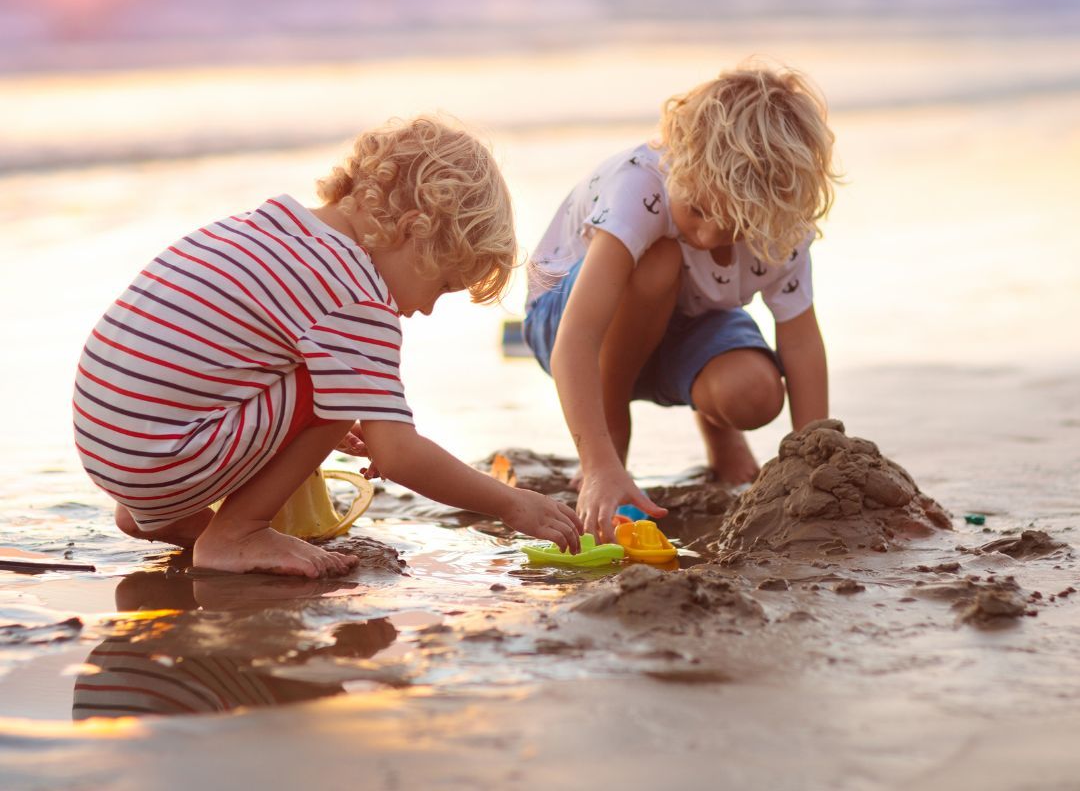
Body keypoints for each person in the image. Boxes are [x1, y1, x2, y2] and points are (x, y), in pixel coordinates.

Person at [73, 117, 582, 578]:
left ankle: (155, 511)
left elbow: (207, 359)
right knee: (340, 388)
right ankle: (236, 534)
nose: (427, 310)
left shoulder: (268, 228)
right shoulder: (357, 291)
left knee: (342, 389)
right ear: (415, 233)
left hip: (110, 446)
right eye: (444, 285)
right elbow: (400, 455)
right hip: (165, 459)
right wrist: (513, 505)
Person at [523, 61, 839, 541]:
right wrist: (599, 461)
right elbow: (578, 338)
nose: (709, 234)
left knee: (756, 393)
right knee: (661, 259)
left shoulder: (780, 225)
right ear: (680, 161)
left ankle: (720, 435)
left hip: (685, 320)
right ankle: (613, 444)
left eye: (734, 226)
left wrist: (815, 459)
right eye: (698, 208)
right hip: (570, 319)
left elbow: (799, 343)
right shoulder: (639, 188)